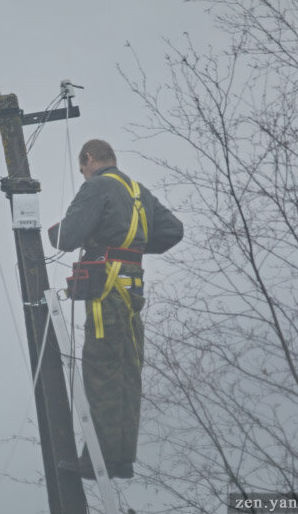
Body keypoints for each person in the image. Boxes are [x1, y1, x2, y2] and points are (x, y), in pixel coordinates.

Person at [48, 139, 183, 479]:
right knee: (127, 369)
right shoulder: (137, 190)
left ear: (89, 158)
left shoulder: (97, 187)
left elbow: (66, 237)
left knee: (102, 369)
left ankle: (101, 458)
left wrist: (55, 233)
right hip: (131, 287)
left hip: (107, 290)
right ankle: (121, 458)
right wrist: (130, 246)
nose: (83, 176)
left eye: (82, 169)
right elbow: (172, 231)